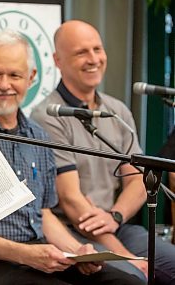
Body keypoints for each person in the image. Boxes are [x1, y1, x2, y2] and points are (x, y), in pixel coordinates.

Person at [0, 29, 144, 285]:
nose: (4, 84)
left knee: (128, 283)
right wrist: (25, 255)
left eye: (15, 75)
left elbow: (43, 213)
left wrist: (78, 252)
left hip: (37, 251)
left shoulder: (37, 135)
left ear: (31, 78)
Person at [31, 19, 175, 284]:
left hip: (116, 224)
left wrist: (116, 215)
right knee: (134, 277)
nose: (93, 59)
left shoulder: (117, 110)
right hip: (74, 233)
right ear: (58, 60)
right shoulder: (48, 116)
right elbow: (73, 202)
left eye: (97, 49)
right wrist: (126, 256)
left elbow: (139, 181)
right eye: (81, 52)